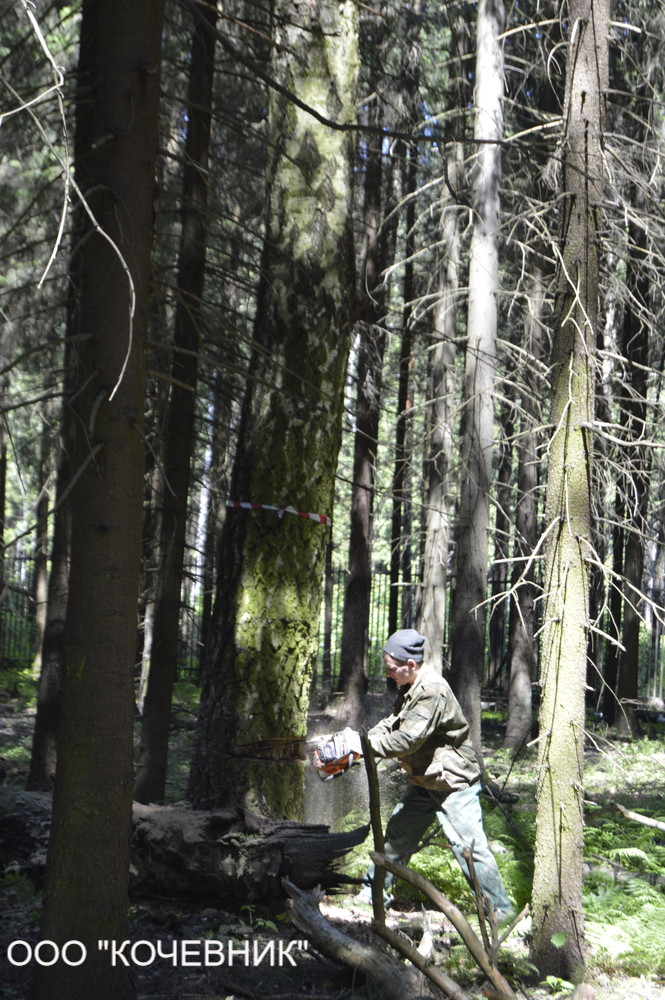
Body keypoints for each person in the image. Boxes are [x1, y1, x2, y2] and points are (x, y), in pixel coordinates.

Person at [359, 628, 514, 922]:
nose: (388, 674)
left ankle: (501, 912)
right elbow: (395, 723)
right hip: (426, 779)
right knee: (398, 836)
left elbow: (407, 740)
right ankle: (372, 893)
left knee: (468, 848)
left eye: (392, 669)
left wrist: (364, 747)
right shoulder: (410, 686)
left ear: (411, 665)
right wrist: (362, 739)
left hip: (452, 784)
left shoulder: (431, 690)